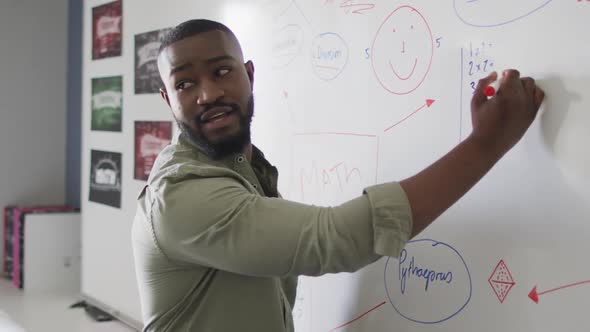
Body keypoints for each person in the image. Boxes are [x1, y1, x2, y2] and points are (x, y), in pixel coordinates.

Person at [131, 19, 545, 332]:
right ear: (168, 98)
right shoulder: (181, 197)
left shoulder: (243, 168)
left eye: (221, 71)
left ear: (249, 74)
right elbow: (331, 239)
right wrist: (486, 144)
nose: (208, 93)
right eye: (185, 83)